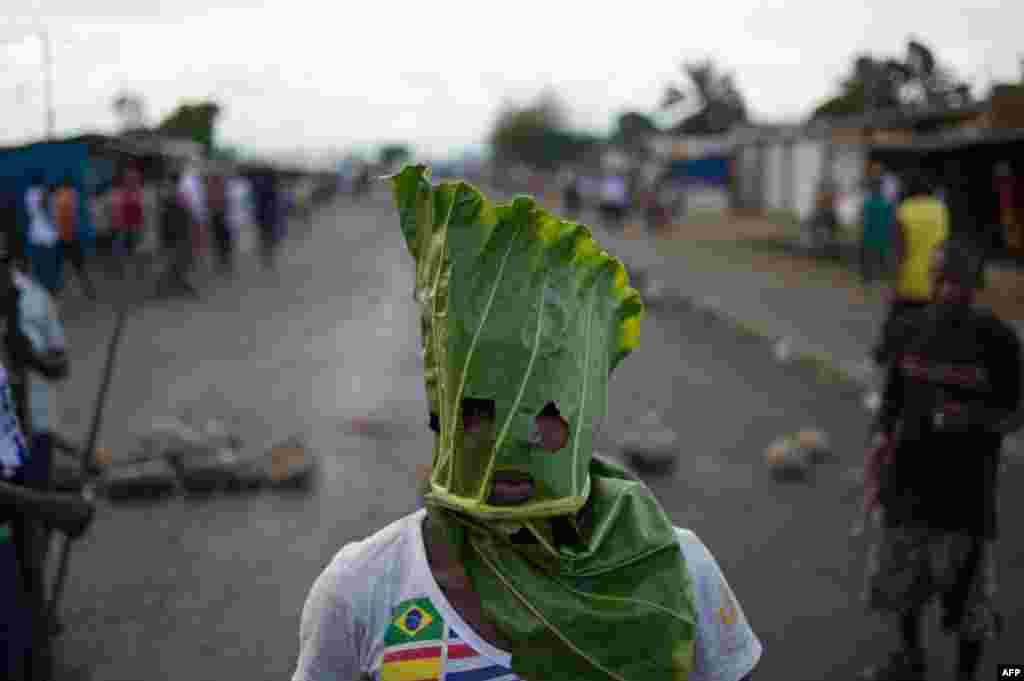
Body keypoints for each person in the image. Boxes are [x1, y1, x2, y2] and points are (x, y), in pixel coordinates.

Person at [293, 166, 762, 681]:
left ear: (583, 412)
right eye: (480, 411)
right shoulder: (363, 591)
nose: (514, 438)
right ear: (441, 416)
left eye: (546, 413)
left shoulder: (680, 574)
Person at [860, 240, 1021, 681]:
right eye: (944, 279)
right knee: (903, 588)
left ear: (976, 286)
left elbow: (1015, 414)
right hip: (906, 488)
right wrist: (878, 453)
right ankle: (908, 657)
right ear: (932, 281)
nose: (951, 290)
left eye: (961, 282)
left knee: (968, 605)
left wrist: (972, 418)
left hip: (966, 499)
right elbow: (890, 406)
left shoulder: (999, 341)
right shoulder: (908, 330)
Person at [873, 172, 950, 366]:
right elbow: (943, 248)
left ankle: (885, 353)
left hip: (908, 281)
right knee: (931, 322)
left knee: (896, 320)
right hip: (934, 281)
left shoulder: (904, 211)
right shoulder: (941, 210)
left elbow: (899, 251)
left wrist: (893, 282)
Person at [154, 172, 199, 299]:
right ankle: (165, 288)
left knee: (177, 261)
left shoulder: (176, 196)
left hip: (176, 233)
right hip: (174, 234)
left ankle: (173, 286)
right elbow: (187, 214)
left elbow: (186, 215)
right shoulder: (176, 196)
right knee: (172, 261)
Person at [52, 177, 96, 300]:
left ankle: (57, 291)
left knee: (64, 267)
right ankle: (88, 290)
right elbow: (73, 215)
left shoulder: (58, 196)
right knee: (79, 267)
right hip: (70, 237)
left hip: (63, 236)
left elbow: (61, 216)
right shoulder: (71, 195)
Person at [24, 176, 60, 295]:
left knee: (38, 266)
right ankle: (51, 290)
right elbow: (50, 214)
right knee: (50, 266)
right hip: (48, 236)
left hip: (34, 234)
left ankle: (41, 291)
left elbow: (30, 213)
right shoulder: (47, 194)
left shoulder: (28, 193)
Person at [110, 166, 147, 280]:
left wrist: (141, 225)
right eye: (128, 178)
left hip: (133, 225)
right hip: (124, 224)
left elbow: (140, 210)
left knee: (134, 249)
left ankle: (134, 271)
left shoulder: (137, 192)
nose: (131, 180)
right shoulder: (122, 192)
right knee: (121, 248)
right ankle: (124, 271)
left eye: (133, 178)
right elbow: (117, 209)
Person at [860, 177, 895, 291]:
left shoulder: (868, 202)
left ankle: (867, 278)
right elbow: (891, 220)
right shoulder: (887, 203)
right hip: (882, 235)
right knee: (881, 257)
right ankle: (883, 277)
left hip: (869, 235)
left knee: (868, 258)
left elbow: (864, 219)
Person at [207, 172, 234, 274]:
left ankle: (222, 264)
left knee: (219, 243)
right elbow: (227, 202)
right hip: (221, 217)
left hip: (218, 217)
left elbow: (210, 203)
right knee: (223, 243)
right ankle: (224, 264)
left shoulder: (213, 187)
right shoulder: (222, 187)